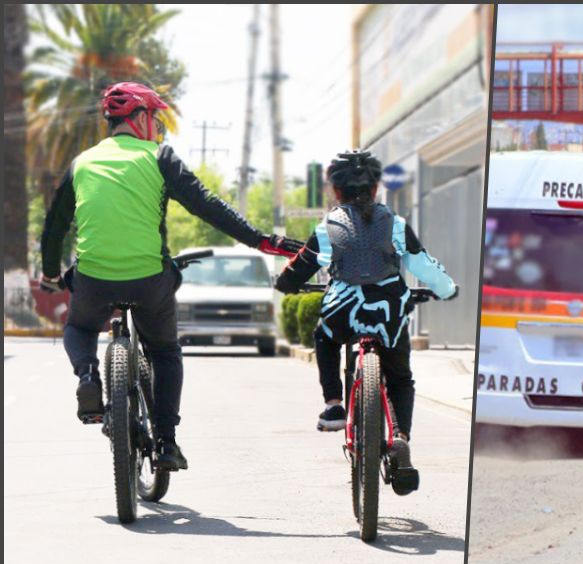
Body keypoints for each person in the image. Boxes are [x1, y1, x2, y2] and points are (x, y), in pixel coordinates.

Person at [40, 82, 295, 471]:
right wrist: (261, 241)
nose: (158, 126)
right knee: (164, 352)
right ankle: (166, 443)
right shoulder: (159, 157)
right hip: (149, 278)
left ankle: (88, 374)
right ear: (139, 117)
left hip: (93, 279)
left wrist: (50, 274)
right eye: (155, 118)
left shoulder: (82, 163)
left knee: (79, 328)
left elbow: (54, 227)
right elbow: (207, 206)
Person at [275, 150, 457, 495]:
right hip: (388, 310)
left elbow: (298, 270)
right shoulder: (397, 224)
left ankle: (333, 406)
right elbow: (424, 267)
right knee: (400, 377)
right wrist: (446, 289)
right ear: (375, 188)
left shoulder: (327, 227)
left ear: (336, 191)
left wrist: (285, 285)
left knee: (325, 338)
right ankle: (400, 436)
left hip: (343, 310)